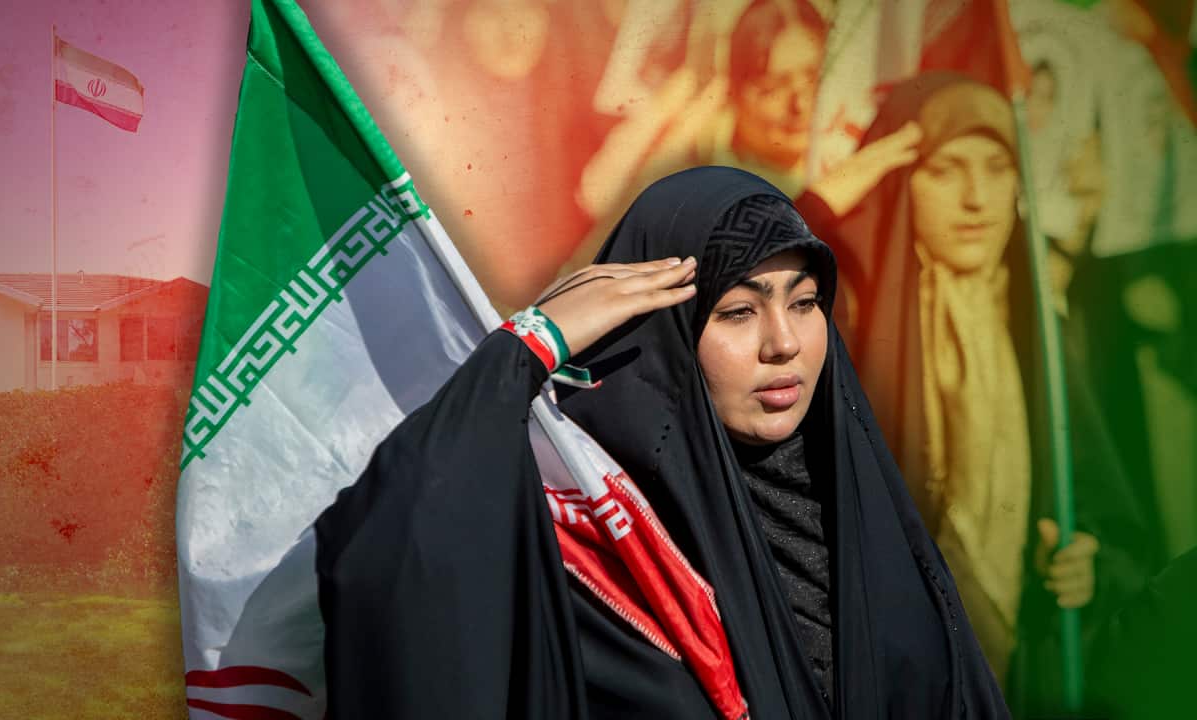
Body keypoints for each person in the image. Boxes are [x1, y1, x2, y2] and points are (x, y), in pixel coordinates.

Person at [315, 166, 1008, 718]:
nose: (785, 344)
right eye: (737, 311)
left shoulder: (860, 511)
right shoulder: (599, 549)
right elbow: (401, 546)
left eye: (804, 303)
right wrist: (525, 349)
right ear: (662, 340)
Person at [795, 72, 1158, 714]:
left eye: (997, 167)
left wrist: (1090, 563)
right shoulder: (847, 318)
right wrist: (818, 207)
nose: (976, 198)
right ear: (903, 182)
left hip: (1028, 675)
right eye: (945, 170)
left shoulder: (1044, 328)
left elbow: (1117, 518)